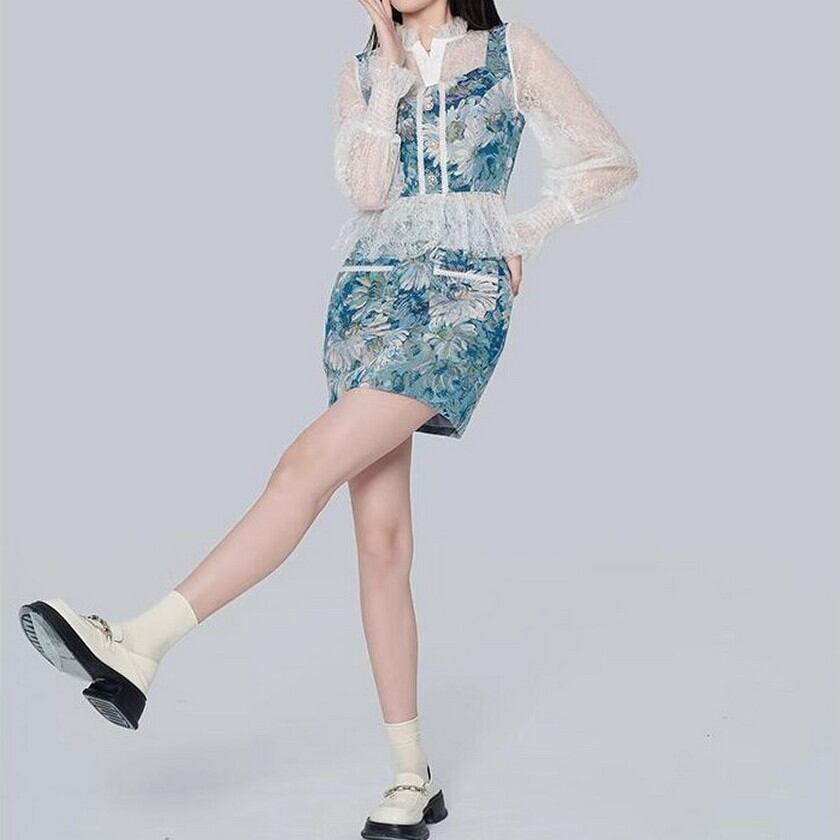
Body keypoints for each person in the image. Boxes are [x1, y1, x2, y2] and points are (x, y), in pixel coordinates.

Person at [18, 1, 639, 838]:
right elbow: (367, 189)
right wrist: (387, 66)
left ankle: (140, 644)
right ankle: (413, 776)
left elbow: (606, 159)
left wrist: (521, 230)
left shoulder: (511, 52)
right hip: (365, 302)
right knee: (381, 544)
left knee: (300, 467)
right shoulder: (360, 73)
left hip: (459, 300)